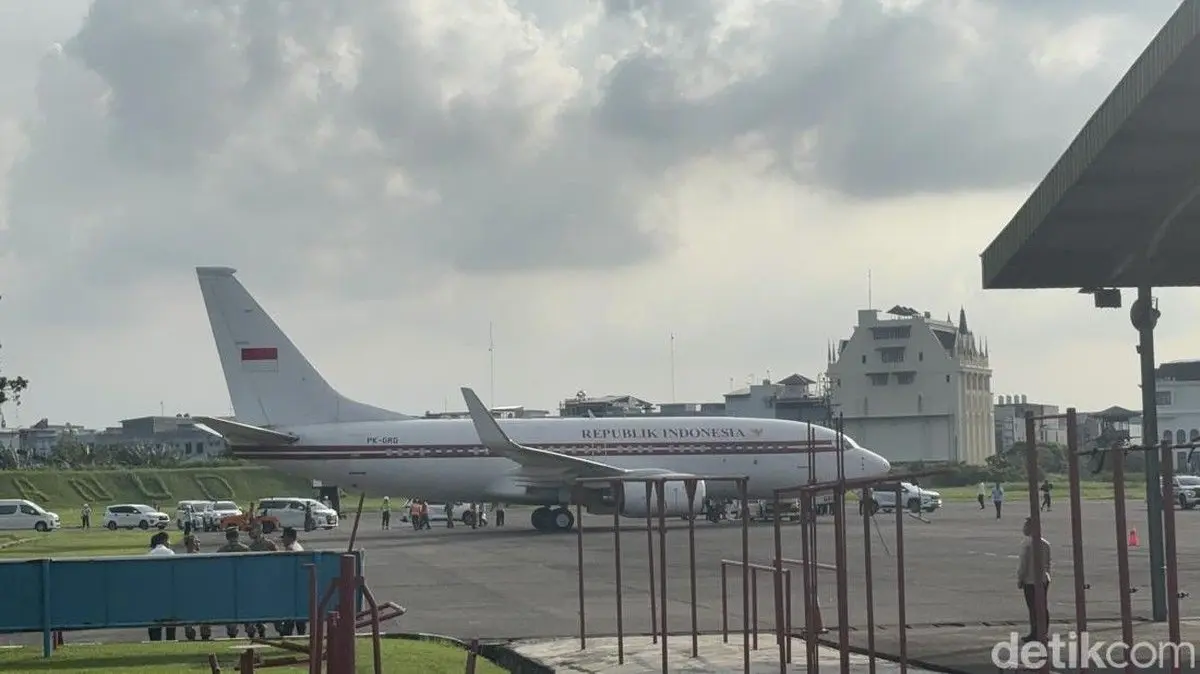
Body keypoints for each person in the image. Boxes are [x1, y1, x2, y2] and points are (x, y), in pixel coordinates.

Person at [1017, 517, 1051, 643]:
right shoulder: (1045, 544)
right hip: (1043, 579)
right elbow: (1048, 563)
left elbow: (1023, 565)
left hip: (1030, 581)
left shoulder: (1027, 544)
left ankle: (1035, 631)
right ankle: (1043, 631)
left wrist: (1020, 578)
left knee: (1033, 607)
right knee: (1042, 606)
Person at [217, 527, 251, 638]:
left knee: (230, 611)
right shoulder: (245, 549)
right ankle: (250, 629)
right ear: (237, 536)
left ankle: (232, 632)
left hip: (228, 585)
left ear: (227, 537)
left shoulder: (221, 550)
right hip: (244, 584)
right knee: (247, 610)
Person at [275, 528, 308, 638]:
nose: (282, 540)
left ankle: (287, 635)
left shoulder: (290, 549)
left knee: (290, 616)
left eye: (284, 537)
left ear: (290, 537)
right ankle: (300, 635)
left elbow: (285, 569)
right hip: (299, 587)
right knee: (297, 617)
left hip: (292, 587)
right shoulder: (298, 547)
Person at [146, 532, 178, 642]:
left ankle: (155, 641)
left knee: (154, 621)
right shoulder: (170, 553)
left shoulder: (149, 554)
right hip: (169, 592)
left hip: (153, 593)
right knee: (170, 622)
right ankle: (171, 641)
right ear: (164, 540)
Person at [182, 535, 213, 642]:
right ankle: (204, 635)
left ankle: (190, 633)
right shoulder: (201, 558)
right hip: (200, 592)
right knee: (204, 617)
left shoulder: (181, 559)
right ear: (193, 543)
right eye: (197, 541)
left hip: (188, 593)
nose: (199, 543)